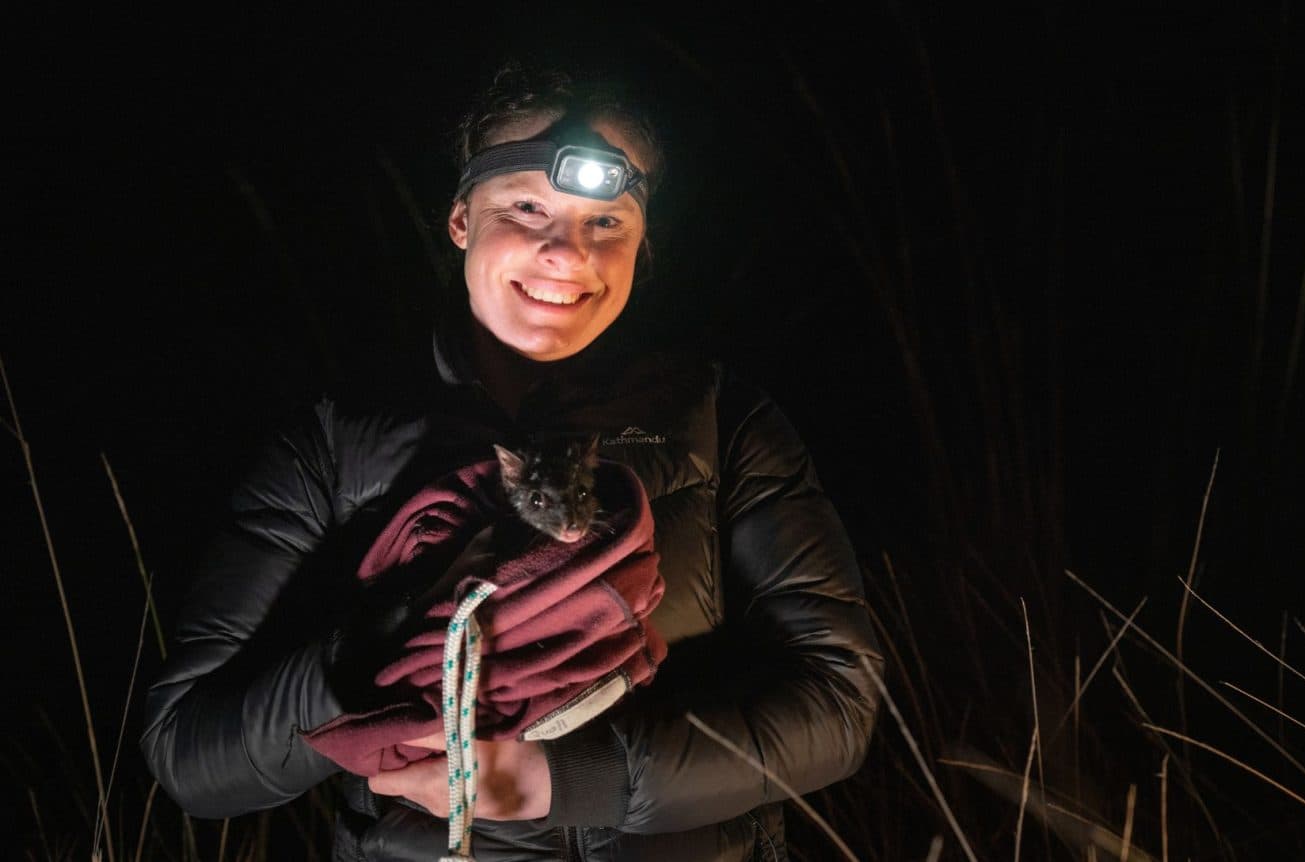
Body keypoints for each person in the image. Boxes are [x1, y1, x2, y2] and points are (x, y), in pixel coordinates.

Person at [141, 63, 885, 862]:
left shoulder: (722, 418)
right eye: (526, 208)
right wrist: (382, 638)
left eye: (607, 223)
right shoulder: (331, 445)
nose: (565, 252)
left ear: (642, 245)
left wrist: (570, 781)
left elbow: (841, 706)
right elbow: (192, 758)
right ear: (461, 220)